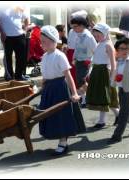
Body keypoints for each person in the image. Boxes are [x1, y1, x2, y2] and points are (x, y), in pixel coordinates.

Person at [39, 25, 81, 156]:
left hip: (59, 88)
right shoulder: (45, 56)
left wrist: (74, 93)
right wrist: (42, 86)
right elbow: (45, 75)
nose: (42, 44)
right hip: (49, 89)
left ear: (53, 41)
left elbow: (68, 76)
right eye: (41, 41)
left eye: (44, 41)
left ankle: (63, 143)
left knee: (61, 116)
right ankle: (60, 139)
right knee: (49, 115)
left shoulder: (60, 55)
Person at [86, 23, 119, 129]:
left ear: (104, 33)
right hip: (97, 71)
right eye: (95, 36)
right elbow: (95, 58)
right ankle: (106, 119)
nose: (96, 38)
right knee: (103, 97)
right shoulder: (100, 44)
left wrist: (112, 77)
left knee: (105, 97)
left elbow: (113, 63)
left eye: (98, 35)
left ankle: (113, 117)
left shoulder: (108, 45)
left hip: (104, 72)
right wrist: (90, 71)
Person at [0, 6, 29, 81]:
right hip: (7, 37)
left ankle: (19, 76)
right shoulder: (0, 8)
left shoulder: (18, 7)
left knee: (20, 58)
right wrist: (2, 32)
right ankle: (10, 76)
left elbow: (26, 18)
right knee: (8, 58)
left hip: (20, 36)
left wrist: (25, 30)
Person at [70, 16, 97, 108]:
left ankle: (85, 100)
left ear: (82, 26)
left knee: (83, 81)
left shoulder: (89, 37)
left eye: (75, 26)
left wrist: (91, 62)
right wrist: (74, 58)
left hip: (87, 62)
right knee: (79, 81)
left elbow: (95, 51)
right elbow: (76, 49)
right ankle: (84, 99)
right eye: (72, 27)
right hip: (79, 62)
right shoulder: (78, 36)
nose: (73, 29)